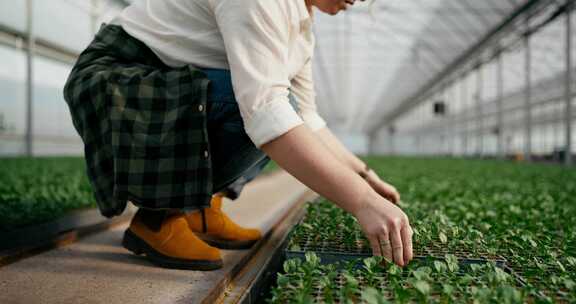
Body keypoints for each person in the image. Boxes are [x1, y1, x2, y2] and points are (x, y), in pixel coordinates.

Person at [63, 0, 413, 271]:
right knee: (261, 107)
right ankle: (157, 219)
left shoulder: (301, 28)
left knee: (279, 109)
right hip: (116, 79)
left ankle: (200, 210)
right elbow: (267, 112)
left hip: (166, 81)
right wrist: (362, 204)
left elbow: (309, 119)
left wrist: (365, 178)